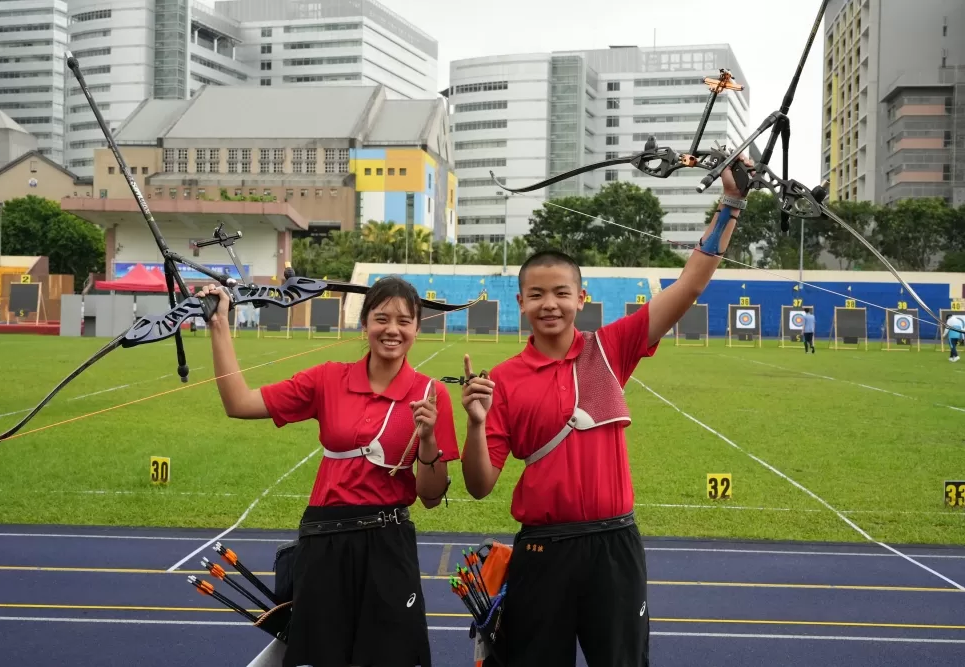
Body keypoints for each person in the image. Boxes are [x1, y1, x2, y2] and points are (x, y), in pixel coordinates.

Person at [458, 159, 753, 667]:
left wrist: (732, 204)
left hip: (614, 546)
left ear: (581, 297)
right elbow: (480, 485)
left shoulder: (610, 348)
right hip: (542, 552)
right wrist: (477, 423)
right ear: (521, 303)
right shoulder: (503, 379)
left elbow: (689, 287)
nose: (549, 304)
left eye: (560, 293)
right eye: (537, 295)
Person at [198, 276, 460, 667]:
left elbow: (432, 496)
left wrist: (426, 441)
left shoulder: (430, 394)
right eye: (381, 318)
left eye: (404, 321)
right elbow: (239, 402)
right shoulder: (327, 378)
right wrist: (218, 324)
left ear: (417, 328)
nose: (392, 330)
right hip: (325, 544)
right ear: (364, 324)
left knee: (391, 658)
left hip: (388, 546)